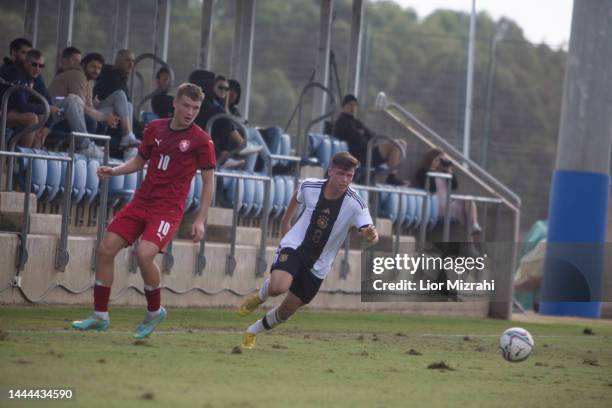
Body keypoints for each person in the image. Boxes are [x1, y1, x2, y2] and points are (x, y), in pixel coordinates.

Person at [72, 83, 216, 338]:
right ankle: (100, 316)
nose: (190, 111)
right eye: (186, 105)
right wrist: (114, 170)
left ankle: (154, 311)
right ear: (175, 103)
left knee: (144, 253)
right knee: (105, 249)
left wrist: (201, 219)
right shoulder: (155, 128)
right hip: (141, 202)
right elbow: (140, 162)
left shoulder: (202, 140)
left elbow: (208, 182)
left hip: (167, 209)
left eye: (196, 108)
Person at [238, 151, 379, 349]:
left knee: (287, 309)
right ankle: (260, 297)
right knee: (278, 287)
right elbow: (297, 197)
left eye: (349, 176)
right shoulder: (311, 186)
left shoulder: (356, 203)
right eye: (340, 173)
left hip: (320, 264)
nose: (344, 179)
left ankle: (253, 331)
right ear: (330, 171)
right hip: (295, 246)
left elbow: (370, 232)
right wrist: (285, 223)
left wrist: (370, 236)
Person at [49, 52, 120, 158]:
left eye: (99, 68)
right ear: (83, 65)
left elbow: (89, 106)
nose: (96, 71)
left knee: (100, 117)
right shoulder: (78, 75)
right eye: (93, 66)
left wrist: (107, 117)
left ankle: (92, 145)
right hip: (54, 116)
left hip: (68, 116)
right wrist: (104, 117)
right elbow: (79, 106)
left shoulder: (90, 81)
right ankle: (84, 146)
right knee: (90, 119)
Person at [332, 94, 407, 186]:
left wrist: (362, 134)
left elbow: (372, 135)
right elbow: (356, 138)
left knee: (401, 143)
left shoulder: (355, 121)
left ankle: (391, 176)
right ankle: (391, 177)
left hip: (367, 151)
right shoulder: (342, 121)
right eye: (350, 104)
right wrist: (362, 134)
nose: (353, 107)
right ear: (344, 105)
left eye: (355, 105)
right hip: (360, 155)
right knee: (396, 144)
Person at [189, 71, 260, 166]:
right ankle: (241, 146)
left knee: (256, 139)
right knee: (221, 114)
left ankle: (228, 154)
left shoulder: (227, 107)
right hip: (202, 131)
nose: (224, 91)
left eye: (227, 89)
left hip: (216, 134)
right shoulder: (206, 100)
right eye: (220, 87)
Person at [414, 148, 482, 242]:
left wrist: (449, 170)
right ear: (431, 160)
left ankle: (475, 224)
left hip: (447, 205)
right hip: (433, 207)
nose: (440, 162)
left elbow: (454, 186)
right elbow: (431, 188)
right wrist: (432, 169)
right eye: (437, 160)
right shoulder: (422, 172)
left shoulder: (445, 173)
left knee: (468, 201)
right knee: (465, 214)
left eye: (441, 160)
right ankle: (470, 247)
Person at [0, 49, 58, 148]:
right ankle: (23, 155)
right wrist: (46, 108)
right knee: (32, 118)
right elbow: (22, 106)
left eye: (41, 66)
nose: (38, 68)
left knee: (41, 123)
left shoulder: (36, 76)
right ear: (25, 62)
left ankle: (32, 160)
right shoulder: (16, 72)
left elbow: (47, 101)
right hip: (4, 110)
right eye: (34, 64)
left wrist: (48, 126)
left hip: (13, 111)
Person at [93, 49, 139, 149]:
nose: (131, 64)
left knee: (129, 105)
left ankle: (129, 145)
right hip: (96, 112)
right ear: (118, 61)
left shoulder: (121, 77)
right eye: (128, 60)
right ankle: (127, 136)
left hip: (109, 112)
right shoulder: (110, 74)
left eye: (133, 61)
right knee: (120, 95)